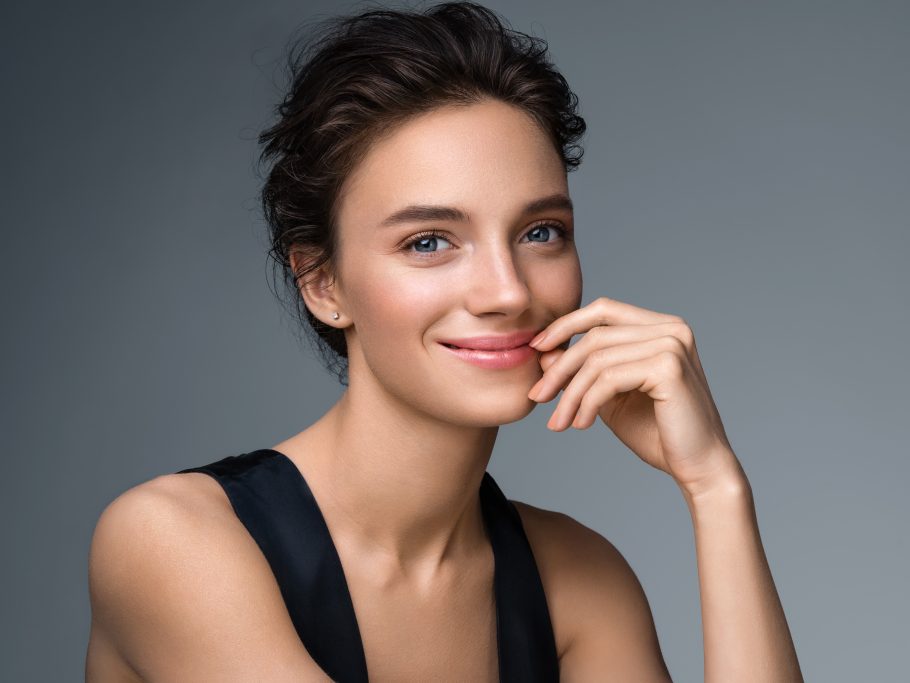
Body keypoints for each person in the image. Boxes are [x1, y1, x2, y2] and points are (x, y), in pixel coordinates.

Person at [85, 2, 802, 681]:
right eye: (429, 241)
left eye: (539, 232)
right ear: (322, 283)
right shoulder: (172, 541)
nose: (508, 290)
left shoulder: (576, 579)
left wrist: (715, 486)